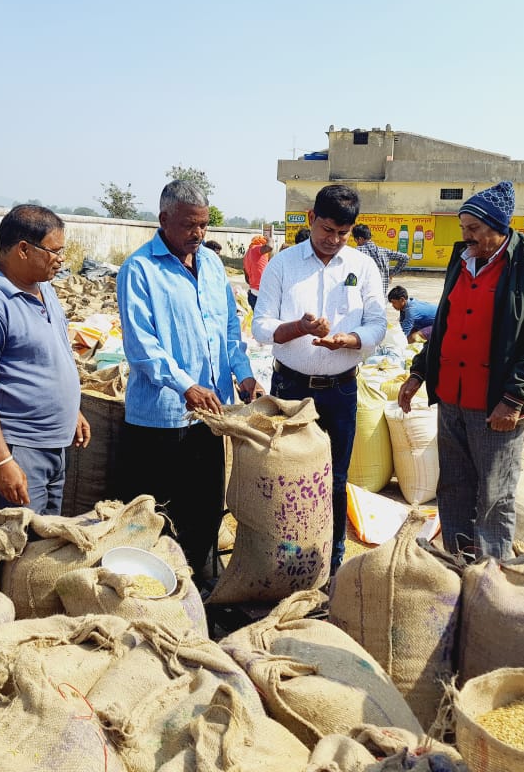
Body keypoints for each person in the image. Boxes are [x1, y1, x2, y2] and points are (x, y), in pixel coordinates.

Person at [397, 181, 524, 560]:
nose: (466, 236)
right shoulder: (463, 258)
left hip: (495, 406)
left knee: (494, 494)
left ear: (498, 227)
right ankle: (458, 562)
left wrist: (514, 398)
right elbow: (446, 323)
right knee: (453, 486)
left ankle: (491, 575)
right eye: (463, 229)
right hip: (452, 398)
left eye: (473, 229)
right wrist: (419, 373)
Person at [118, 180, 261, 576]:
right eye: (188, 225)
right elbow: (143, 346)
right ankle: (155, 595)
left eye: (203, 225)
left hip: (209, 418)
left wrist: (244, 375)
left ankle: (197, 588)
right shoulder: (139, 269)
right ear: (163, 219)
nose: (197, 234)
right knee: (157, 517)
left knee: (205, 509)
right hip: (160, 421)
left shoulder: (213, 266)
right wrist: (185, 386)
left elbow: (230, 330)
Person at [253, 184, 386, 572]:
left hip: (340, 390)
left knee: (336, 479)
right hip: (291, 390)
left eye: (343, 233)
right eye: (327, 230)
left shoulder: (362, 268)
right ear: (311, 219)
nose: (334, 240)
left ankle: (332, 559)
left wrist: (351, 339)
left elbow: (379, 323)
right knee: (285, 476)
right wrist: (299, 327)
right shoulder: (283, 265)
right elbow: (261, 326)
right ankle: (285, 557)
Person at [0, 205, 90, 515]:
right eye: (54, 252)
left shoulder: (45, 289)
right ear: (22, 249)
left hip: (55, 445)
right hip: (19, 447)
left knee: (46, 547)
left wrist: (72, 410)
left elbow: (49, 355)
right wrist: (3, 461)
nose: (61, 260)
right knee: (21, 548)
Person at [353, 222, 408, 295]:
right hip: (381, 297)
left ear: (359, 239)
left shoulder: (357, 252)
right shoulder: (384, 251)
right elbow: (405, 257)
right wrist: (391, 274)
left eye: (355, 240)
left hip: (363, 296)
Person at [242, 235, 272, 310]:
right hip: (262, 293)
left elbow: (247, 279)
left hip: (253, 293)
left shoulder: (246, 255)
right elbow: (269, 247)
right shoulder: (256, 249)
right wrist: (269, 239)